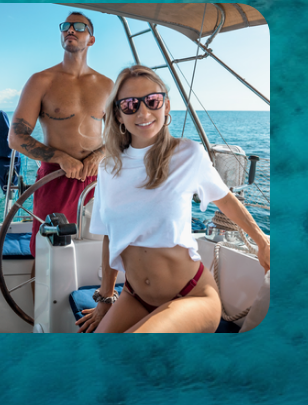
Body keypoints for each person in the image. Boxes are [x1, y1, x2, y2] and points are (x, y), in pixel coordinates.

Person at [75, 65, 270, 333]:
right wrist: (106, 298)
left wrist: (261, 241)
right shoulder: (109, 167)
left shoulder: (188, 154)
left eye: (153, 101)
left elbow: (225, 200)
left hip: (191, 296)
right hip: (135, 296)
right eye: (130, 105)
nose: (143, 112)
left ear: (166, 106)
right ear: (118, 114)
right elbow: (110, 235)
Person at [9, 11, 111, 241]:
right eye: (66, 26)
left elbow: (122, 135)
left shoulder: (107, 85)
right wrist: (61, 158)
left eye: (79, 26)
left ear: (91, 40)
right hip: (55, 177)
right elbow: (15, 137)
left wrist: (99, 156)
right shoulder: (41, 81)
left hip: (97, 180)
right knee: (48, 249)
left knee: (98, 246)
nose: (70, 30)